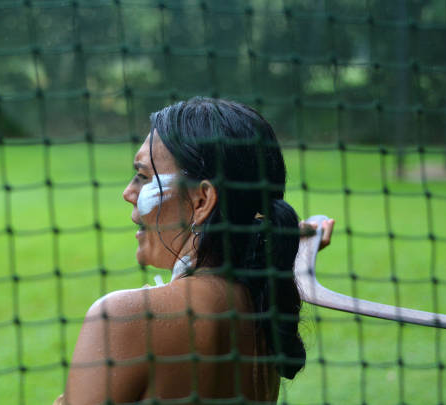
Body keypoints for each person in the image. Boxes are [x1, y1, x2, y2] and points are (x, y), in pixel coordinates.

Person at [55, 98, 334, 405]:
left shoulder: (127, 318)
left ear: (202, 201)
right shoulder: (259, 304)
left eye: (145, 177)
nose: (128, 193)